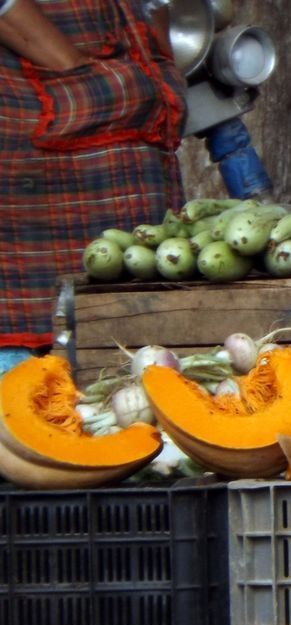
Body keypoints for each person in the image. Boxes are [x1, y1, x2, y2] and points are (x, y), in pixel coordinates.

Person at [0, 0, 185, 373]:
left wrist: (157, 59)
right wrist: (68, 65)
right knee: (28, 375)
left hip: (127, 132)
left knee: (133, 311)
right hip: (33, 113)